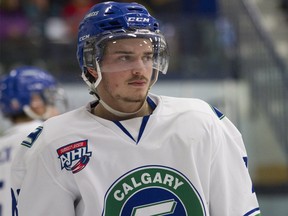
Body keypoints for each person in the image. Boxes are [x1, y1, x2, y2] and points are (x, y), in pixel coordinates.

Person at [13, 2, 261, 216]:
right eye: (124, 57)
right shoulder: (55, 141)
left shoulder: (203, 122)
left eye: (147, 56)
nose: (140, 69)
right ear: (91, 66)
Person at [0, 66, 67, 216]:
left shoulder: (3, 143)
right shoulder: (47, 135)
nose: (53, 103)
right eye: (48, 97)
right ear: (35, 101)